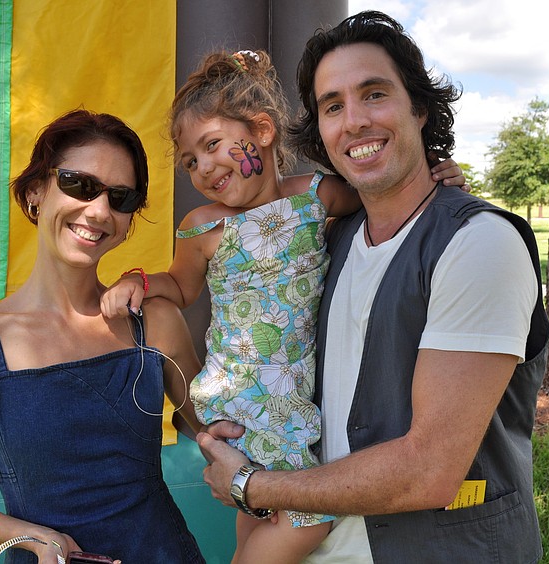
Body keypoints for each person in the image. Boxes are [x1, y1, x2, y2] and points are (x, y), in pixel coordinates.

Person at [196, 11, 549, 564]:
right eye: (333, 106)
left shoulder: (479, 244)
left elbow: (430, 471)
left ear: (420, 107)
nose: (354, 121)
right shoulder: (329, 240)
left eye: (375, 94)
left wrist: (254, 486)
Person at [100, 50, 467, 563]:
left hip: (290, 393)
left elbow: (383, 189)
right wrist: (135, 279)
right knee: (308, 515)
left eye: (211, 146)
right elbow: (180, 288)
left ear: (264, 131)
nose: (203, 168)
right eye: (190, 162)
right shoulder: (204, 226)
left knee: (263, 519)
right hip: (249, 397)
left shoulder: (317, 197)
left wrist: (434, 171)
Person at [0, 109, 205, 564]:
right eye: (79, 184)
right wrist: (30, 536)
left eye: (120, 197)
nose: (99, 210)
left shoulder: (155, 321)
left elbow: (212, 430)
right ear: (34, 193)